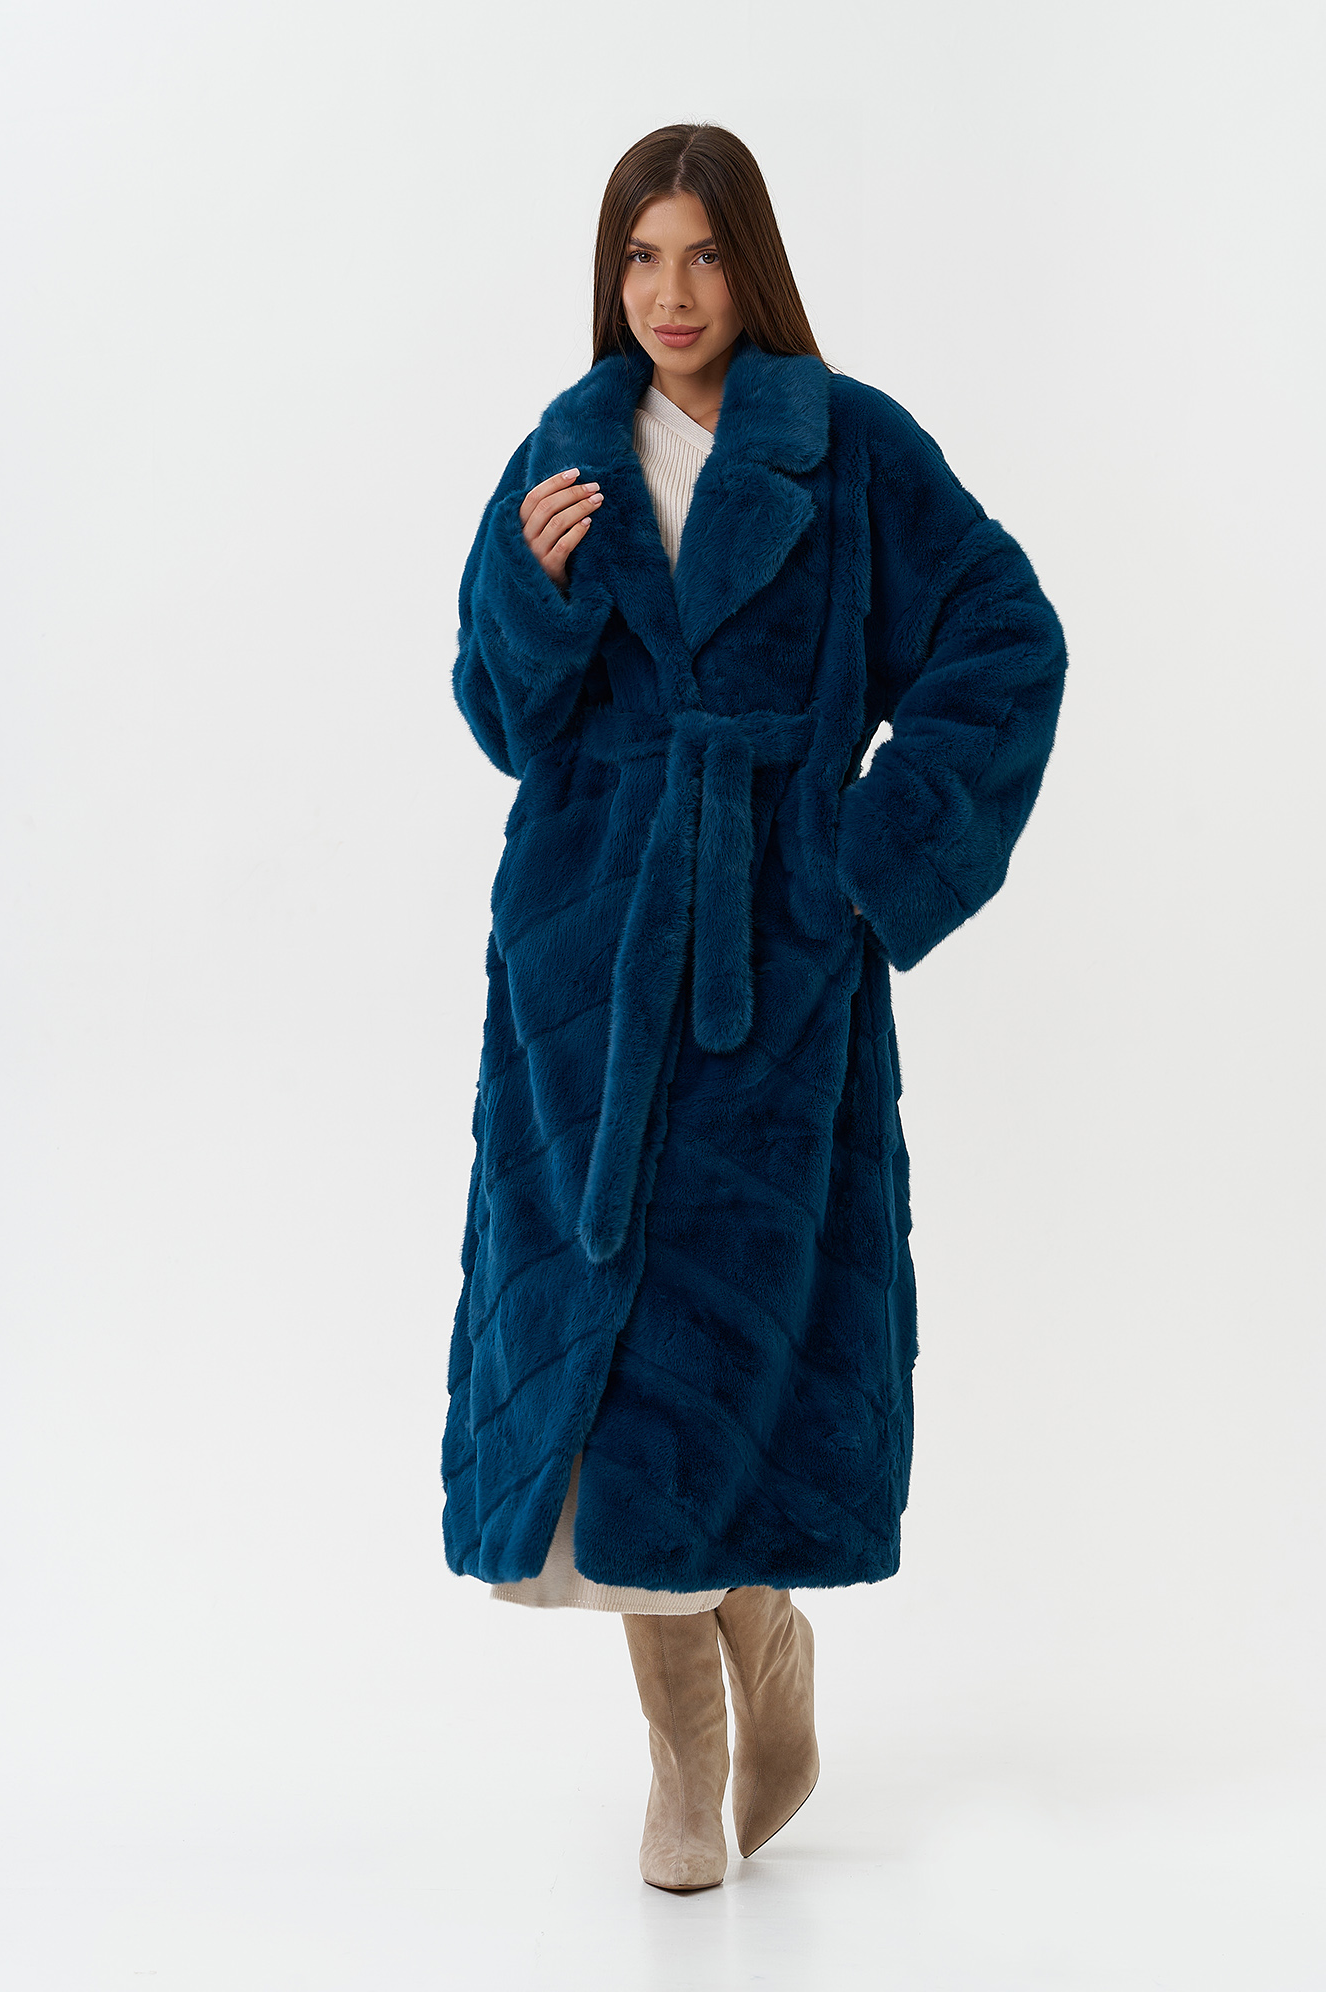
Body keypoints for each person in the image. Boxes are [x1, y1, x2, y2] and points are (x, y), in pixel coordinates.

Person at [441, 123, 1068, 1893]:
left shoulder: (849, 446)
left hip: (770, 969)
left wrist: (869, 859)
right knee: (601, 1365)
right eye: (641, 257)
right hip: (581, 964)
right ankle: (682, 1747)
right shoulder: (563, 457)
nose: (671, 294)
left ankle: (765, 1631)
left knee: (731, 1339)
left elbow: (1005, 638)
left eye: (704, 255)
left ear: (753, 266)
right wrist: (529, 597)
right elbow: (499, 717)